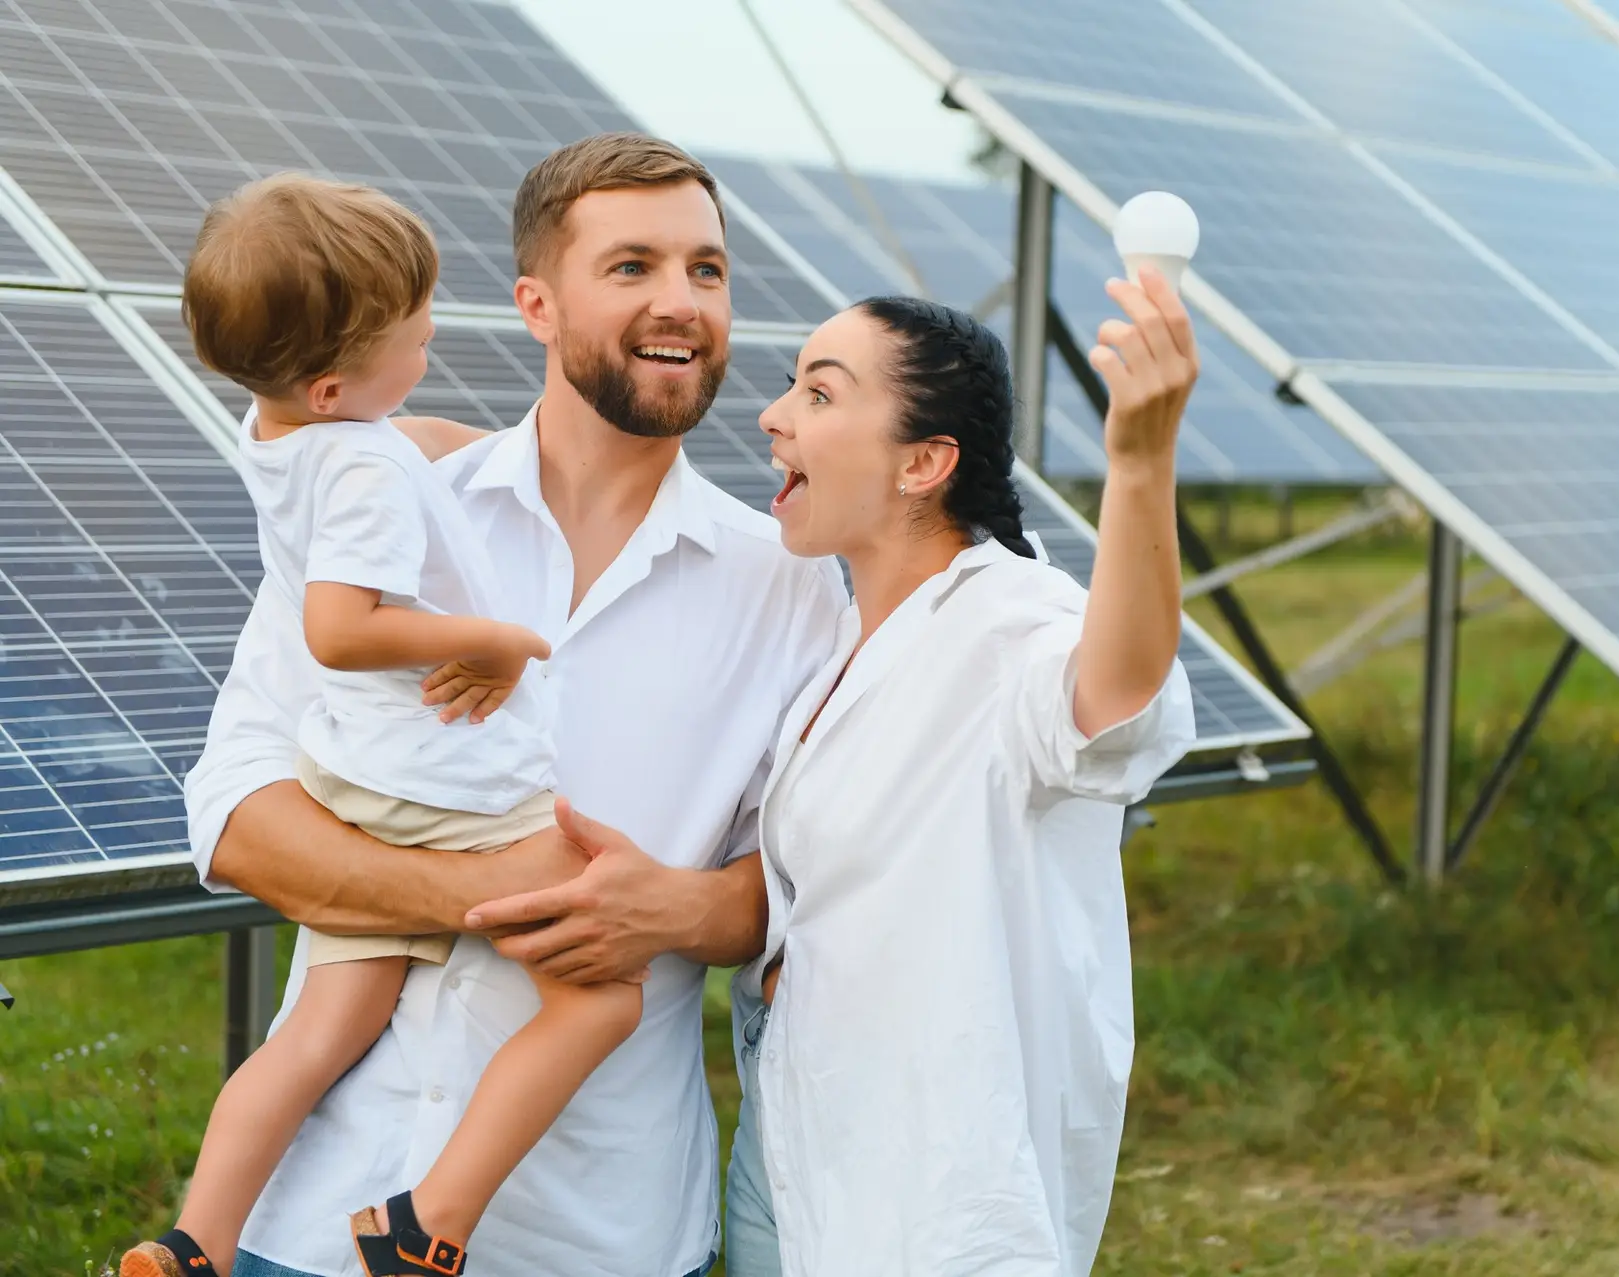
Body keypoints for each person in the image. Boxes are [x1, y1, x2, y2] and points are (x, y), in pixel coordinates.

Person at [180, 134, 844, 1277]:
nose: (680, 301)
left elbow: (800, 890)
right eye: (631, 266)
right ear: (536, 302)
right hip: (317, 1212)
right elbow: (238, 814)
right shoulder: (391, 506)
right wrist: (479, 891)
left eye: (708, 269)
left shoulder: (788, 581)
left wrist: (669, 910)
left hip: (596, 1229)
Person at [469, 278, 1200, 1275]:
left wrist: (1141, 463)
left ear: (924, 462)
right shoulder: (841, 642)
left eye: (819, 394)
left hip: (934, 1186)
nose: (772, 416)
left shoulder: (1009, 620)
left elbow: (1113, 694)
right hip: (796, 1151)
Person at [127, 172, 652, 1277]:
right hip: (447, 785)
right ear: (329, 385)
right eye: (410, 340)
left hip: (357, 777)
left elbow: (393, 453)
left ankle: (193, 1241)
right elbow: (339, 626)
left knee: (322, 1029)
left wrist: (437, 443)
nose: (425, 352)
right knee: (604, 991)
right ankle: (426, 1222)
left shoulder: (282, 431)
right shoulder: (363, 457)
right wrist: (494, 637)